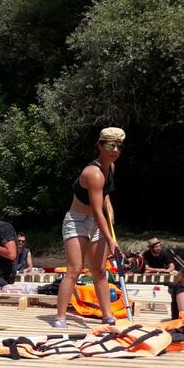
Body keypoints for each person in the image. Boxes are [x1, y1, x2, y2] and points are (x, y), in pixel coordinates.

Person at [53, 127, 124, 327]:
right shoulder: (93, 173)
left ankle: (107, 314)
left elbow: (105, 195)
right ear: (100, 146)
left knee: (100, 270)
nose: (116, 150)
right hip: (78, 221)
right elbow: (96, 208)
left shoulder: (110, 168)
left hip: (96, 220)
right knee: (75, 270)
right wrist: (110, 239)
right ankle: (60, 317)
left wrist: (110, 209)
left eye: (119, 146)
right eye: (111, 145)